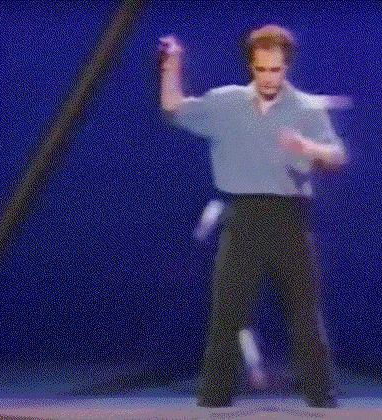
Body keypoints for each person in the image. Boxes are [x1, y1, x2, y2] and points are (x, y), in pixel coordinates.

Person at [158, 24, 347, 408]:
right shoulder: (226, 103)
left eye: (275, 69)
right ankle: (214, 397)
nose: (268, 78)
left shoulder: (306, 108)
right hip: (242, 216)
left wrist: (308, 147)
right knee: (227, 311)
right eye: (261, 69)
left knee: (303, 312)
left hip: (288, 217)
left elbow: (337, 156)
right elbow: (173, 108)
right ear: (251, 66)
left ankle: (321, 397)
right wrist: (171, 64)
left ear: (286, 67)